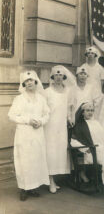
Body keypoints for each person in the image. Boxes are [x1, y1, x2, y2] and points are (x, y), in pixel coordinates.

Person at [8, 70, 50, 201]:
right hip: (24, 133)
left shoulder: (41, 99)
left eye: (31, 80)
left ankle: (33, 187)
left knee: (36, 159)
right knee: (24, 160)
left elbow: (46, 114)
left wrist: (41, 122)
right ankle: (24, 188)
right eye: (26, 81)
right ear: (23, 84)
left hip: (37, 133)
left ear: (36, 81)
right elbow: (11, 115)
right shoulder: (19, 99)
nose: (29, 82)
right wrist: (28, 120)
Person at [44, 65, 75, 193]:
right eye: (56, 75)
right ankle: (50, 180)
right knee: (50, 151)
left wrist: (70, 118)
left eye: (60, 75)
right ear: (52, 77)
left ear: (64, 77)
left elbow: (68, 108)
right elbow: (44, 110)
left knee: (59, 151)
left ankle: (55, 178)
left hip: (61, 127)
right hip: (50, 126)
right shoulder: (47, 92)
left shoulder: (67, 91)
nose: (58, 77)